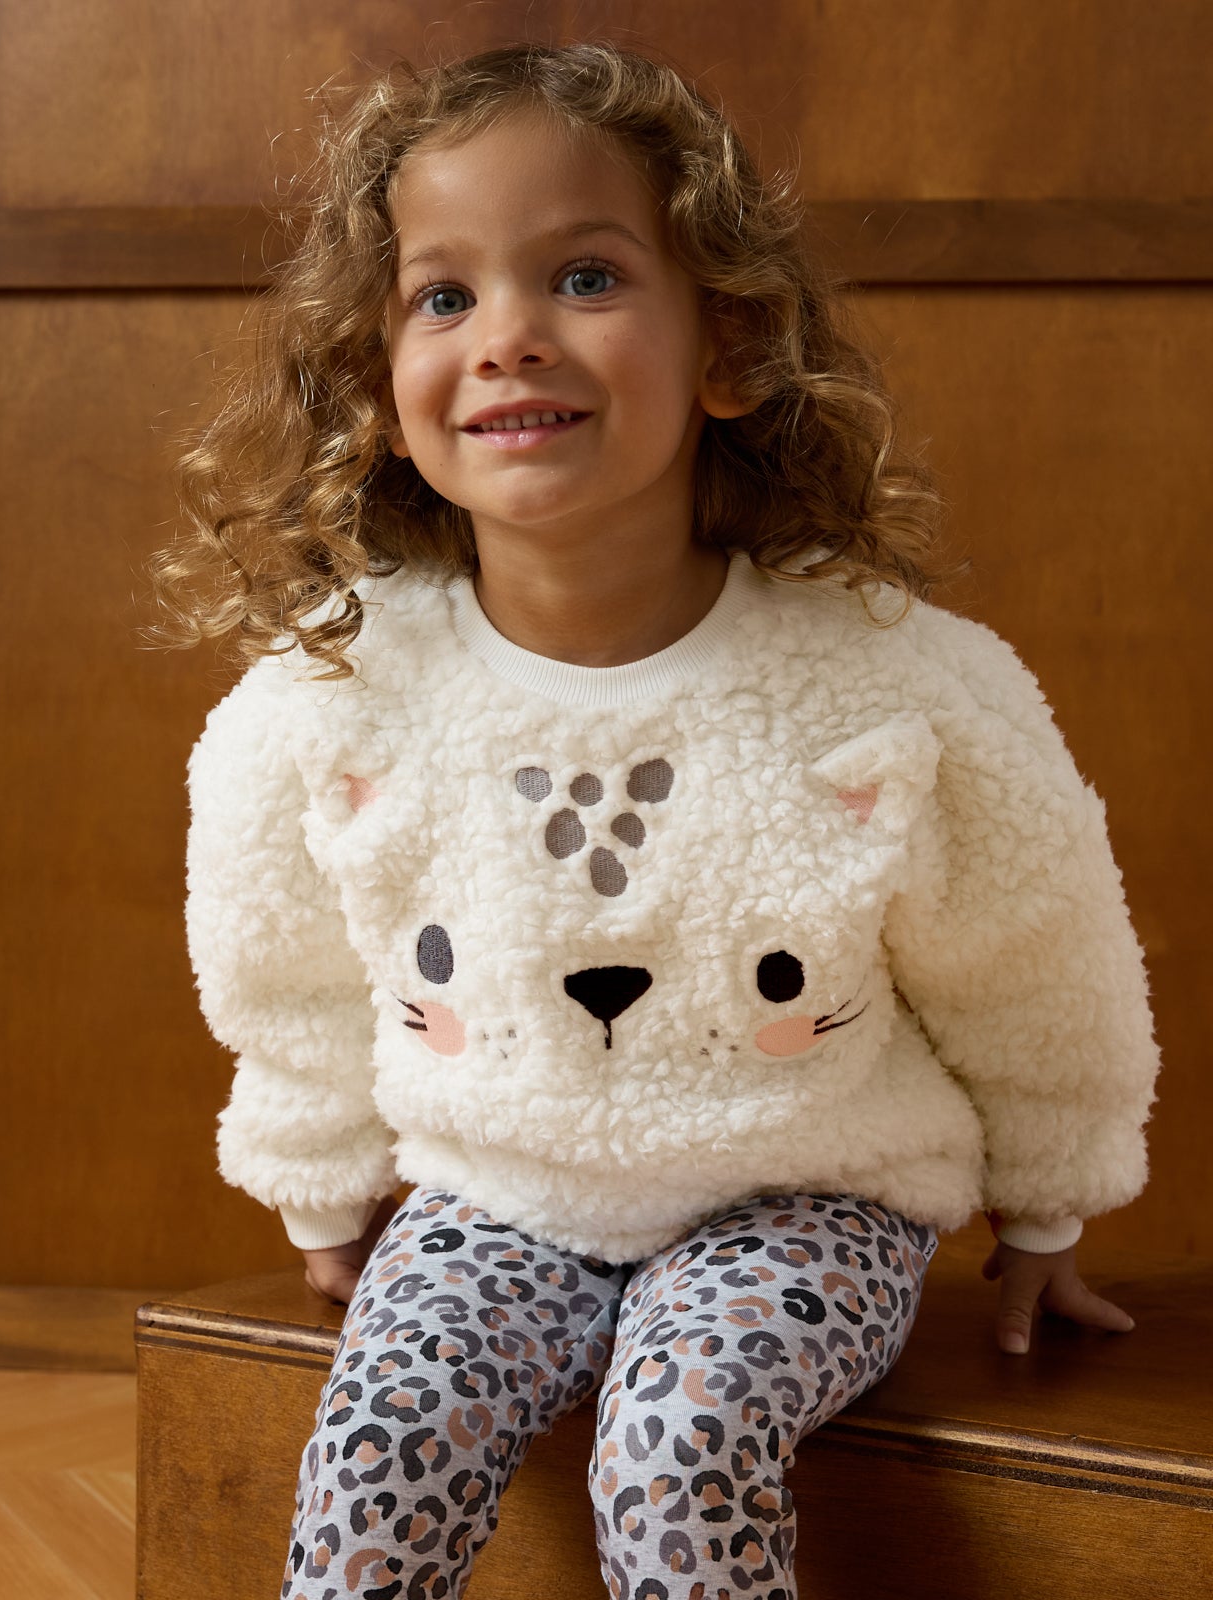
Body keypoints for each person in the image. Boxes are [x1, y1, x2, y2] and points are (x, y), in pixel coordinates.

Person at [158, 42, 1159, 1600]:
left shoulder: (895, 687)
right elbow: (280, 961)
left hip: (809, 1200)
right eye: (443, 295)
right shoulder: (331, 695)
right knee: (379, 1439)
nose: (508, 337)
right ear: (377, 387)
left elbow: (1032, 944)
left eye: (585, 276)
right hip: (497, 1196)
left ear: (730, 345)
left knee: (680, 1440)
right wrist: (320, 1177)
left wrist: (1051, 1195)